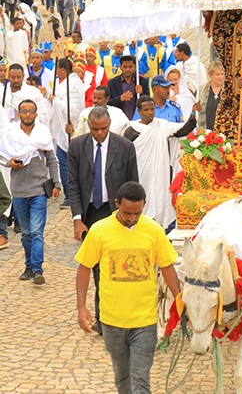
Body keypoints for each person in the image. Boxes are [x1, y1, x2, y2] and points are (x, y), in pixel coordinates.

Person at [74, 181, 181, 394]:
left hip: (145, 321)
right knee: (122, 378)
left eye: (137, 214)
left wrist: (179, 298)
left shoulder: (154, 230)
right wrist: (81, 307)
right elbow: (84, 267)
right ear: (116, 204)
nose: (132, 219)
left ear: (144, 206)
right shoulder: (99, 231)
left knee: (140, 380)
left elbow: (167, 266)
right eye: (127, 213)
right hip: (112, 321)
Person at [68, 105, 139, 331]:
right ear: (88, 126)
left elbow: (133, 184)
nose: (99, 133)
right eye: (94, 129)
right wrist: (77, 219)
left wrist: (132, 217)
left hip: (116, 211)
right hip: (91, 212)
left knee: (118, 264)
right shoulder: (77, 147)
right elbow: (73, 184)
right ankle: (103, 318)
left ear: (109, 125)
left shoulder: (125, 147)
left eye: (103, 129)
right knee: (97, 266)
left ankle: (120, 312)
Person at [0, 99, 58, 284]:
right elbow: (3, 155)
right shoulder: (11, 134)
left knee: (36, 232)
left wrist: (56, 183)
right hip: (19, 191)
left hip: (38, 190)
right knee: (25, 233)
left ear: (36, 114)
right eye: (23, 111)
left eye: (30, 111)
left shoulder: (42, 134)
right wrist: (9, 163)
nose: (27, 114)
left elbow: (52, 159)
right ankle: (29, 266)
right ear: (18, 114)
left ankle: (38, 269)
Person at [123, 96, 198, 230]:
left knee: (157, 201)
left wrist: (192, 114)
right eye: (146, 110)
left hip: (158, 174)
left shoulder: (162, 126)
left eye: (152, 109)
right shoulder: (131, 130)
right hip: (140, 174)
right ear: (139, 111)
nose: (150, 113)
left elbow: (183, 130)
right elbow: (126, 155)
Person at [50, 58, 84, 209]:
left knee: (66, 164)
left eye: (58, 69)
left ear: (63, 69)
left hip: (70, 130)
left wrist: (55, 100)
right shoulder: (68, 83)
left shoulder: (72, 85)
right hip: (63, 131)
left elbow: (73, 110)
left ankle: (71, 196)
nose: (56, 72)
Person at [107, 55, 149, 121]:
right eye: (125, 67)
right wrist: (120, 99)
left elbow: (148, 102)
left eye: (130, 67)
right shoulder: (112, 83)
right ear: (120, 67)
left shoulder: (142, 81)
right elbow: (108, 103)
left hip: (138, 120)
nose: (128, 69)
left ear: (135, 67)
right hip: (119, 121)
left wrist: (141, 93)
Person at [201, 61, 224, 130]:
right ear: (210, 75)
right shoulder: (201, 91)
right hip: (206, 130)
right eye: (217, 74)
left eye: (222, 74)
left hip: (223, 130)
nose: (220, 77)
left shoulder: (227, 91)